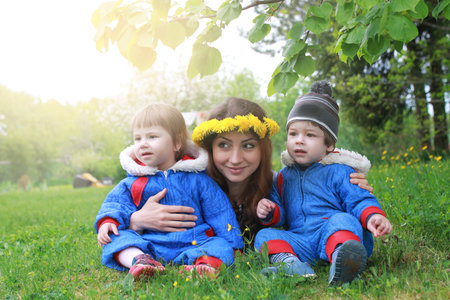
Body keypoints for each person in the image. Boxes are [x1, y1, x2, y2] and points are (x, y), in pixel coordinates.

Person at [126, 97, 374, 244]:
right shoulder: (187, 185)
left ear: (263, 149)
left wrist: (348, 188)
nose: (235, 159)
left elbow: (322, 203)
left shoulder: (282, 184)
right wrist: (136, 220)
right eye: (223, 145)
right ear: (210, 149)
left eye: (248, 145)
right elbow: (121, 214)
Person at [254, 81, 392, 285]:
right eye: (293, 134)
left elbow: (358, 200)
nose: (299, 140)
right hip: (300, 241)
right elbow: (280, 214)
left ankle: (342, 259)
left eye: (310, 135)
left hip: (331, 233)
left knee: (343, 220)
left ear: (329, 145)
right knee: (264, 235)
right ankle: (291, 264)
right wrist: (269, 210)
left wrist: (374, 216)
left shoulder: (340, 171)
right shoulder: (284, 176)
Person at [95, 103, 244, 280]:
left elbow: (219, 211)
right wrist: (108, 221)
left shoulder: (197, 179)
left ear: (177, 142)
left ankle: (205, 266)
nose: (143, 144)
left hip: (195, 241)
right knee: (117, 239)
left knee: (220, 246)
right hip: (151, 244)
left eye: (152, 136)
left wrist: (233, 244)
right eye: (137, 138)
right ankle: (141, 261)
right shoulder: (133, 182)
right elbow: (116, 203)